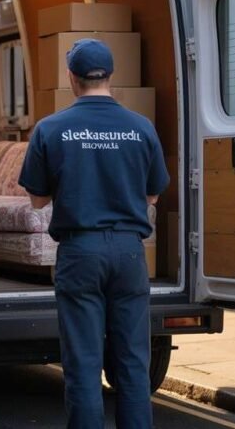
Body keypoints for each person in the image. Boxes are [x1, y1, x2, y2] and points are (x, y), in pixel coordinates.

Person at [17, 39, 169, 429]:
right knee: (133, 363)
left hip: (79, 252)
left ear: (72, 78)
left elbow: (36, 200)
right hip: (130, 253)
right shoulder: (141, 127)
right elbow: (152, 194)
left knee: (83, 364)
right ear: (111, 76)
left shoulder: (51, 129)